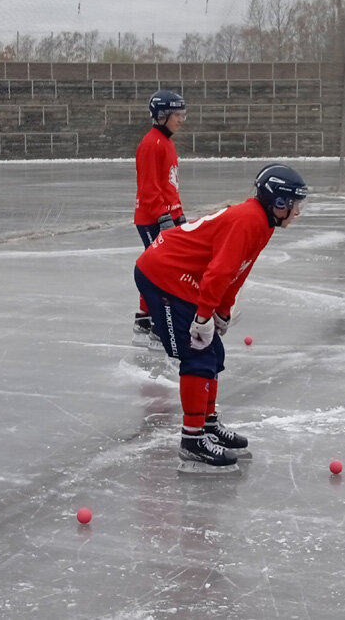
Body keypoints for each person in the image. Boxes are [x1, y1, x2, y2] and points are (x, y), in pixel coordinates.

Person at [134, 163, 308, 474]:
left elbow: (238, 272)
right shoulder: (249, 220)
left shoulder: (262, 222)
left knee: (214, 352)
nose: (298, 212)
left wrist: (222, 311)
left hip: (182, 275)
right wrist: (202, 317)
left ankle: (208, 423)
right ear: (278, 202)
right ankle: (192, 440)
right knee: (197, 353)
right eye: (295, 203)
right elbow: (219, 273)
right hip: (164, 274)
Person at [132, 90, 187, 345]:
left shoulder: (166, 142)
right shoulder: (150, 144)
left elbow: (169, 185)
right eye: (177, 114)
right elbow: (149, 188)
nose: (181, 119)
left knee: (160, 268)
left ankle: (145, 317)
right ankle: (158, 323)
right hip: (152, 217)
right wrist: (163, 216)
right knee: (162, 271)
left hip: (166, 214)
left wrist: (178, 213)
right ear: (162, 115)